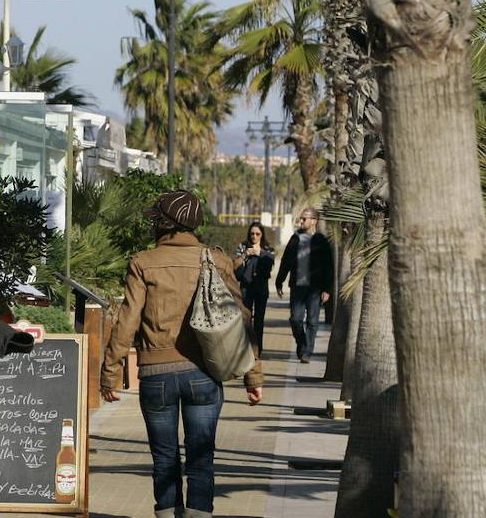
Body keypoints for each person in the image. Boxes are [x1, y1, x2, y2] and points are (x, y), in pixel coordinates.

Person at [101, 190, 263, 518]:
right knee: (201, 461)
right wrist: (253, 376)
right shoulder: (216, 259)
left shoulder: (143, 263)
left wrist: (111, 373)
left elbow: (127, 322)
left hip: (155, 376)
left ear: (161, 224)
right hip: (204, 373)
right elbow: (241, 319)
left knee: (165, 460)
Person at [275, 208, 334, 363]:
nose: (301, 222)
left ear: (314, 221)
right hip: (297, 287)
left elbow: (328, 267)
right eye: (301, 219)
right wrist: (279, 281)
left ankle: (306, 352)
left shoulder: (321, 241)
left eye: (304, 219)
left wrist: (327, 289)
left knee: (313, 322)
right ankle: (302, 343)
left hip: (315, 289)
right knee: (295, 319)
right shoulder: (295, 238)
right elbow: (286, 261)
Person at [232, 222, 275, 354]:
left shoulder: (267, 249)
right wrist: (245, 254)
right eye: (252, 234)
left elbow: (271, 263)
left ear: (262, 235)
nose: (254, 236)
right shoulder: (243, 246)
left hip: (261, 287)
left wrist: (260, 253)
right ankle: (245, 348)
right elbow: (234, 265)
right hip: (246, 287)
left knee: (259, 319)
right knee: (246, 318)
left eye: (257, 234)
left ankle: (257, 349)